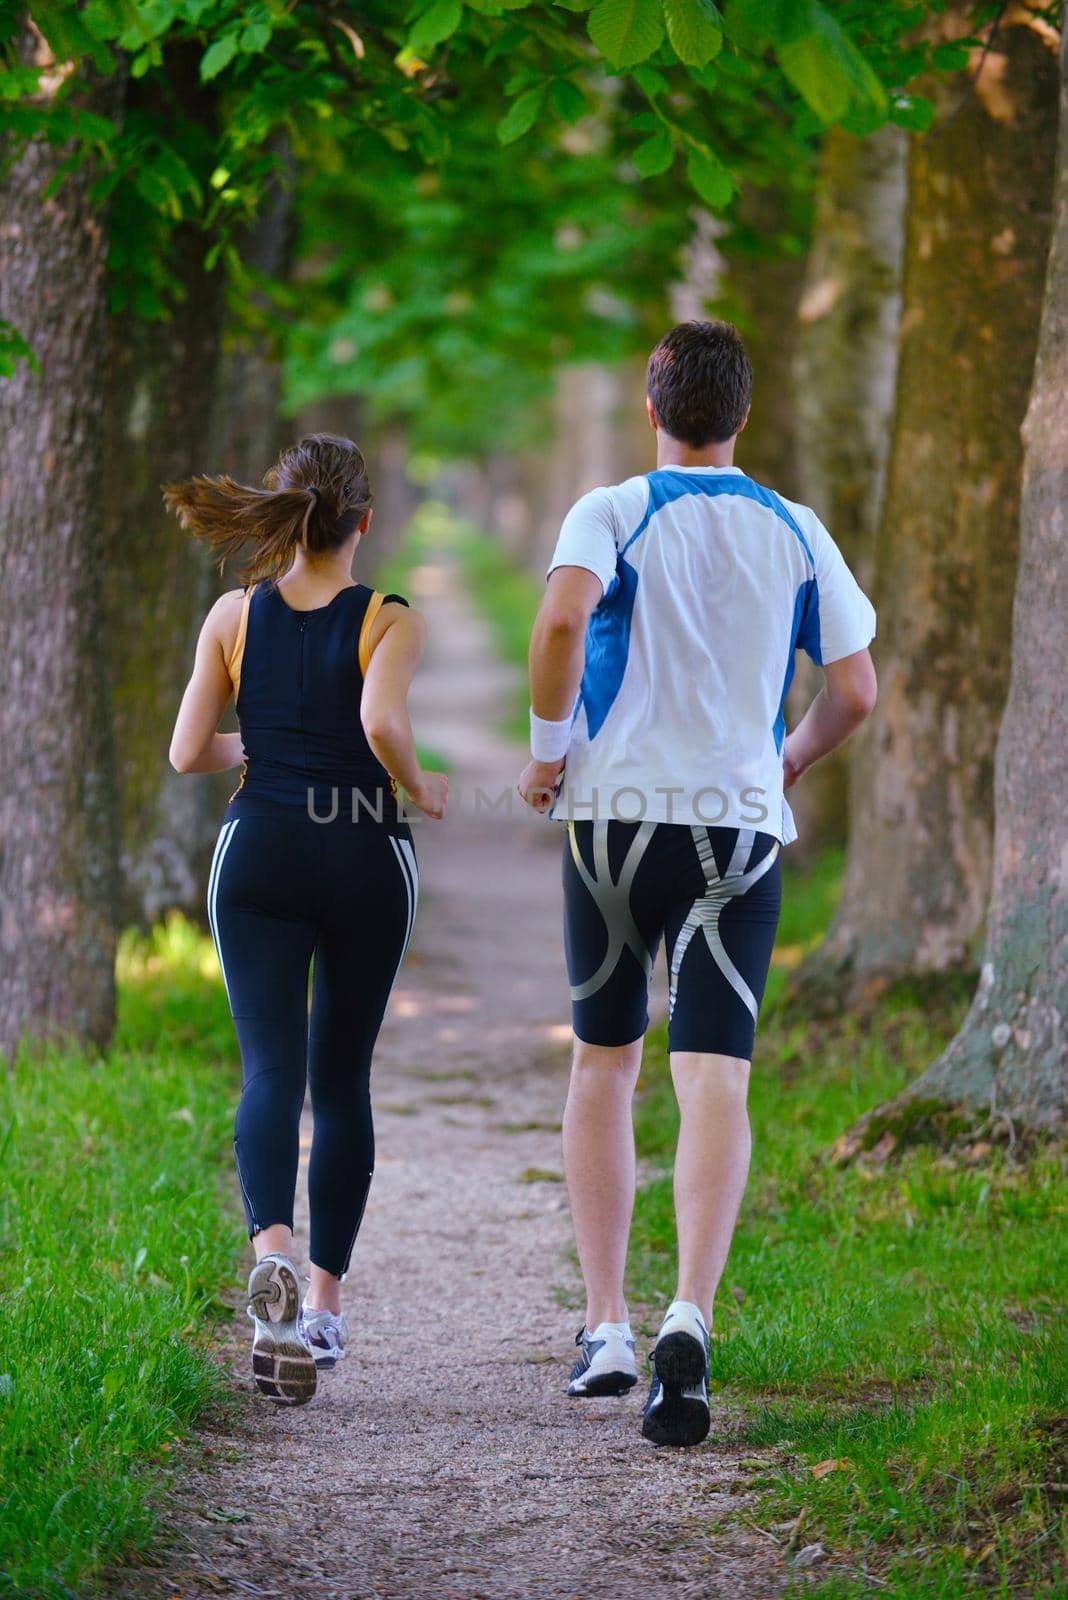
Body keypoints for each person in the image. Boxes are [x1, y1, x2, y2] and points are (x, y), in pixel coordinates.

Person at [518, 322, 877, 1448]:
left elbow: (566, 616)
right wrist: (789, 759)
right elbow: (856, 688)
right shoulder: (796, 527)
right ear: (745, 414)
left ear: (650, 401)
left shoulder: (613, 508)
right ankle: (693, 1317)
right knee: (715, 1073)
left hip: (616, 822)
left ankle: (609, 1324)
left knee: (606, 1061)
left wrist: (541, 750)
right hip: (740, 830)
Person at [166, 433, 447, 1406]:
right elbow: (378, 725)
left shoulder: (232, 614)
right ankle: (322, 1309)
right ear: (363, 522)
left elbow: (186, 749)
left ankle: (271, 1260)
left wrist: (267, 741)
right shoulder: (390, 618)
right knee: (342, 1075)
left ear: (284, 519)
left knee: (271, 1069)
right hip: (365, 848)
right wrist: (420, 783)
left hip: (261, 850)